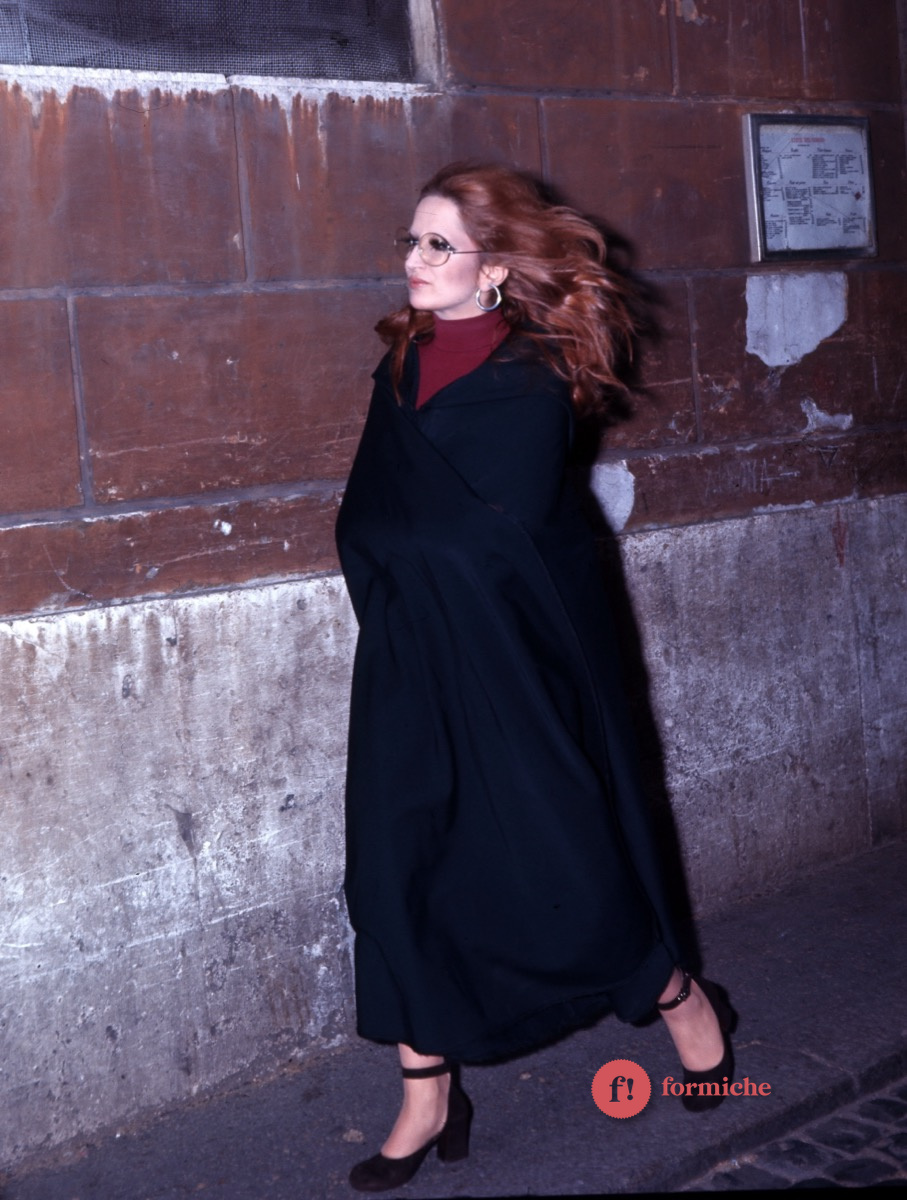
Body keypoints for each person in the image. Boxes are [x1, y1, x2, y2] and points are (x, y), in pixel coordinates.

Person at [334, 162, 735, 1193]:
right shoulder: (399, 366)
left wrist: (407, 546)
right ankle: (427, 1093)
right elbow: (374, 516)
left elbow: (497, 539)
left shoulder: (530, 379)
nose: (414, 260)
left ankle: (679, 998)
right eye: (410, 240)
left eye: (438, 244)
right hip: (409, 658)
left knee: (566, 855)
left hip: (516, 660)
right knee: (393, 866)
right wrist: (395, 561)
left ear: (496, 267)